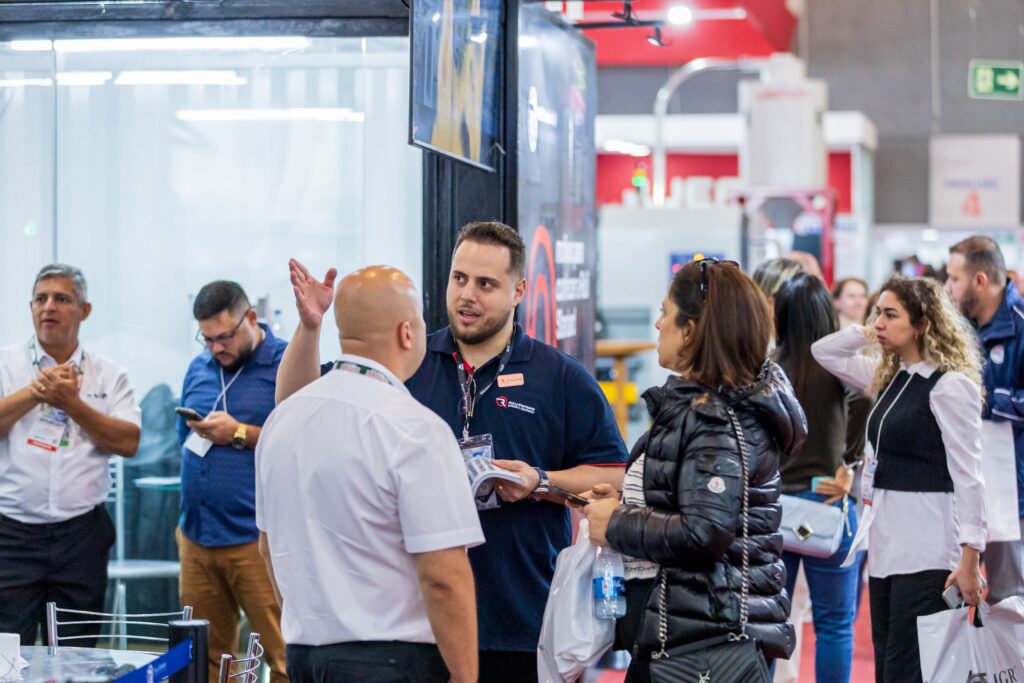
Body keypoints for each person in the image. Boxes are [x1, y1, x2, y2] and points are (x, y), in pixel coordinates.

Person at [275, 221, 628, 682]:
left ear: (519, 290)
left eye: (486, 284)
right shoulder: (406, 357)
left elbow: (615, 476)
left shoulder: (558, 376)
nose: (467, 295)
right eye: (459, 279)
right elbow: (298, 403)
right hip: (415, 627)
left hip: (523, 618)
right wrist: (310, 328)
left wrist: (541, 482)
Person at [256, 266, 483, 683]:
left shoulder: (281, 422)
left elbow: (268, 549)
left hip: (304, 657)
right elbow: (443, 576)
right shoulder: (414, 428)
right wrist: (466, 677)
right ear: (407, 333)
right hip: (391, 663)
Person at [583, 259, 805, 683]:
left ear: (691, 330)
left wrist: (616, 524)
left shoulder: (713, 419)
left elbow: (704, 533)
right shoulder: (719, 408)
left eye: (666, 312)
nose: (657, 323)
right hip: (695, 631)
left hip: (700, 643)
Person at [812, 276, 986, 683]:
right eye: (877, 314)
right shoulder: (892, 378)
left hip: (930, 551)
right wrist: (865, 329)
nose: (880, 324)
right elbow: (824, 352)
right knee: (890, 672)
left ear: (922, 324)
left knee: (912, 673)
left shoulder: (949, 386)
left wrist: (971, 555)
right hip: (886, 549)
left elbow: (970, 476)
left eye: (891, 315)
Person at [0, 264, 141, 646]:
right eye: (41, 299)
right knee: (9, 654)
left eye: (62, 299)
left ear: (84, 310)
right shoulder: (5, 364)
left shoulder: (109, 375)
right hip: (12, 535)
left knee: (78, 651)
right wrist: (36, 393)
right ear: (30, 307)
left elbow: (128, 442)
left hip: (81, 535)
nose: (49, 307)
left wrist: (72, 404)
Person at [176, 281, 288, 682]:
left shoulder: (287, 364)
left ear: (251, 319)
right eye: (207, 339)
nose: (215, 348)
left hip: (258, 539)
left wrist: (240, 432)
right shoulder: (198, 368)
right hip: (197, 536)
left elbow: (303, 443)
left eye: (224, 337)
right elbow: (183, 439)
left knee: (283, 657)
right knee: (202, 658)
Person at [773, 273, 870, 683]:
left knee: (770, 623)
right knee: (834, 625)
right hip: (828, 502)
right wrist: (849, 461)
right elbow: (867, 401)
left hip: (774, 508)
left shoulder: (769, 370)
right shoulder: (838, 370)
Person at [945, 236, 1024, 602]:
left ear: (979, 280)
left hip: (1012, 491)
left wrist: (988, 401)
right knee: (957, 597)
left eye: (954, 279)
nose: (948, 288)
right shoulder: (957, 332)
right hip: (960, 488)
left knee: (1010, 598)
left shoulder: (1021, 325)